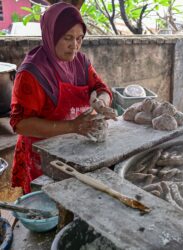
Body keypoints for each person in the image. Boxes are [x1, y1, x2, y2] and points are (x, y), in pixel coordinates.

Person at [10, 2, 117, 194]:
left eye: (79, 38)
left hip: (72, 149)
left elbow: (101, 88)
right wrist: (73, 127)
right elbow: (20, 124)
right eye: (68, 38)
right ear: (51, 35)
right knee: (45, 209)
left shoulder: (81, 62)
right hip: (40, 156)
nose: (74, 46)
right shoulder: (32, 73)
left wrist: (102, 103)